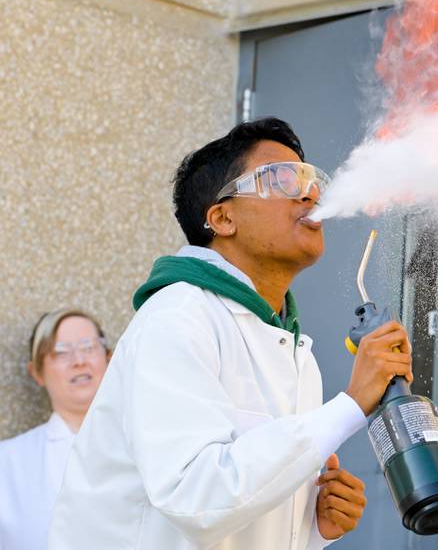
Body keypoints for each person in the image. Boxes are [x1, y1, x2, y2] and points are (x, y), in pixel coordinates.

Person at [48, 117, 413, 550]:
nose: (308, 192)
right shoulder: (178, 315)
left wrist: (313, 526)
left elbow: (241, 505)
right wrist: (350, 405)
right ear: (222, 218)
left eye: (311, 179)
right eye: (280, 178)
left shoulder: (297, 353)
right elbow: (194, 495)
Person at [0, 309, 110, 550]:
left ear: (109, 358)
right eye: (60, 352)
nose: (79, 360)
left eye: (89, 346)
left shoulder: (147, 447)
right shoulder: (6, 463)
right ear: (36, 372)